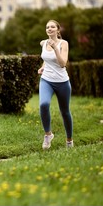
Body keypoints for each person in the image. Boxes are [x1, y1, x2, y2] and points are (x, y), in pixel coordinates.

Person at [37, 19, 73, 149]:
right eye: (47, 27)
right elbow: (47, 59)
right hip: (46, 80)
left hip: (62, 82)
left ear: (58, 30)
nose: (49, 29)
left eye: (52, 27)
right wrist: (43, 67)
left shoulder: (64, 44)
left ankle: (69, 140)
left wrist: (55, 48)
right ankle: (48, 134)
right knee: (43, 104)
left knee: (65, 112)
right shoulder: (43, 43)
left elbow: (63, 63)